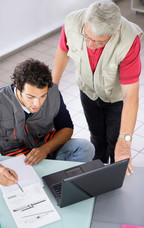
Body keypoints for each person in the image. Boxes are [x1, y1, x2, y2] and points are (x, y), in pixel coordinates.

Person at [53, 0, 143, 175]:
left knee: (114, 141)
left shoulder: (128, 39)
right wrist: (53, 87)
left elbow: (131, 94)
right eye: (87, 36)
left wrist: (124, 142)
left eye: (99, 42)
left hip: (116, 99)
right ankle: (97, 176)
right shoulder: (72, 22)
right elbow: (63, 50)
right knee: (97, 138)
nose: (90, 44)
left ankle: (114, 178)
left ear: (114, 33)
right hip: (88, 92)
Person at [0, 59, 95, 186]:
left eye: (43, 96)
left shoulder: (53, 93)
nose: (37, 104)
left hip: (50, 151)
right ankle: (52, 180)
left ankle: (60, 184)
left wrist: (45, 149)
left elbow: (67, 128)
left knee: (86, 147)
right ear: (17, 87)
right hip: (19, 162)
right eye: (31, 97)